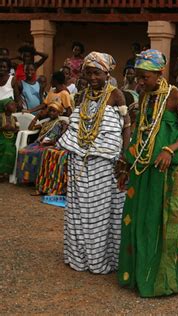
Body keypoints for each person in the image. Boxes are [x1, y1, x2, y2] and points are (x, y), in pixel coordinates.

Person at [116, 49, 178, 297]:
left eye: (144, 78)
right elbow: (142, 130)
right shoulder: (144, 96)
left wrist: (168, 150)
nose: (140, 82)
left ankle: (160, 280)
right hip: (143, 169)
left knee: (158, 221)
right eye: (138, 77)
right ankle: (138, 274)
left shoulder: (175, 96)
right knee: (139, 219)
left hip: (164, 172)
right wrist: (127, 160)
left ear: (159, 73)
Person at [57, 51, 131, 274]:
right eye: (88, 73)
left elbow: (126, 125)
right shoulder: (82, 95)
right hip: (79, 159)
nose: (92, 77)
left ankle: (100, 257)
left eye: (96, 73)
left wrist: (124, 155)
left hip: (104, 160)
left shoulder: (116, 94)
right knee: (79, 208)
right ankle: (80, 255)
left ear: (107, 73)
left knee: (101, 210)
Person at [16, 101, 67, 184]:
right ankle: (27, 179)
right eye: (50, 111)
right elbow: (30, 128)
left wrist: (48, 143)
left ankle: (37, 180)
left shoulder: (60, 123)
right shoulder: (45, 122)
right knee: (22, 151)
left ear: (59, 113)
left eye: (54, 111)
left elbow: (57, 137)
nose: (51, 113)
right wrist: (37, 116)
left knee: (39, 154)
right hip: (39, 144)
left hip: (51, 145)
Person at [0, 99, 18, 180]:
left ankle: (4, 172)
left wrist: (12, 129)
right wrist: (2, 128)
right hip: (1, 137)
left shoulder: (14, 118)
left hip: (11, 138)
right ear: (6, 107)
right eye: (12, 105)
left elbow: (18, 130)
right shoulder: (0, 117)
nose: (15, 106)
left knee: (9, 147)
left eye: (14, 104)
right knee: (4, 145)